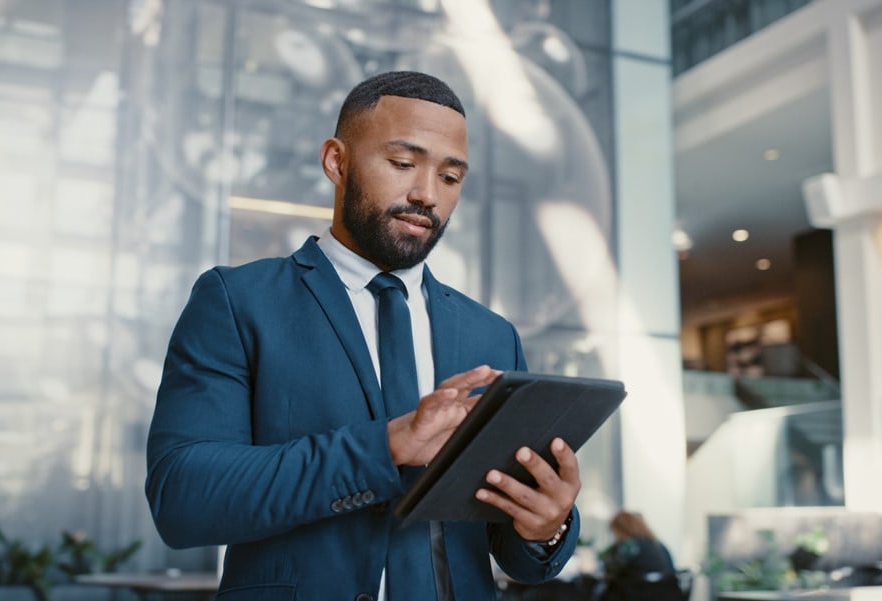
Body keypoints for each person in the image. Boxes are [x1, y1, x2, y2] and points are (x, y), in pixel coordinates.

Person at [145, 71, 582, 601]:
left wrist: (545, 525)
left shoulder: (491, 336)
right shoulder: (239, 302)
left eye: (450, 177)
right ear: (337, 161)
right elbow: (184, 498)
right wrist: (384, 446)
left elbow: (509, 546)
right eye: (403, 164)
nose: (426, 194)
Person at [599, 512, 683, 601]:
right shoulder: (658, 544)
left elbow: (611, 569)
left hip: (639, 595)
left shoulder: (630, 545)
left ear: (621, 529)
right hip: (669, 595)